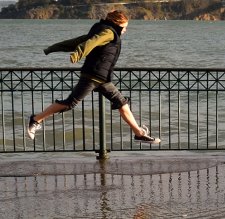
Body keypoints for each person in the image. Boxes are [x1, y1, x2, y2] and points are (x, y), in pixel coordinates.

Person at [26, 10, 160, 144]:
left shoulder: (101, 29)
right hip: (92, 76)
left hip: (101, 79)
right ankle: (36, 119)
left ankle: (138, 133)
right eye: (124, 27)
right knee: (70, 103)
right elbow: (90, 43)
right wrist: (78, 54)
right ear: (117, 24)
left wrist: (52, 48)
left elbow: (77, 41)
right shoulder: (108, 33)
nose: (125, 30)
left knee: (122, 103)